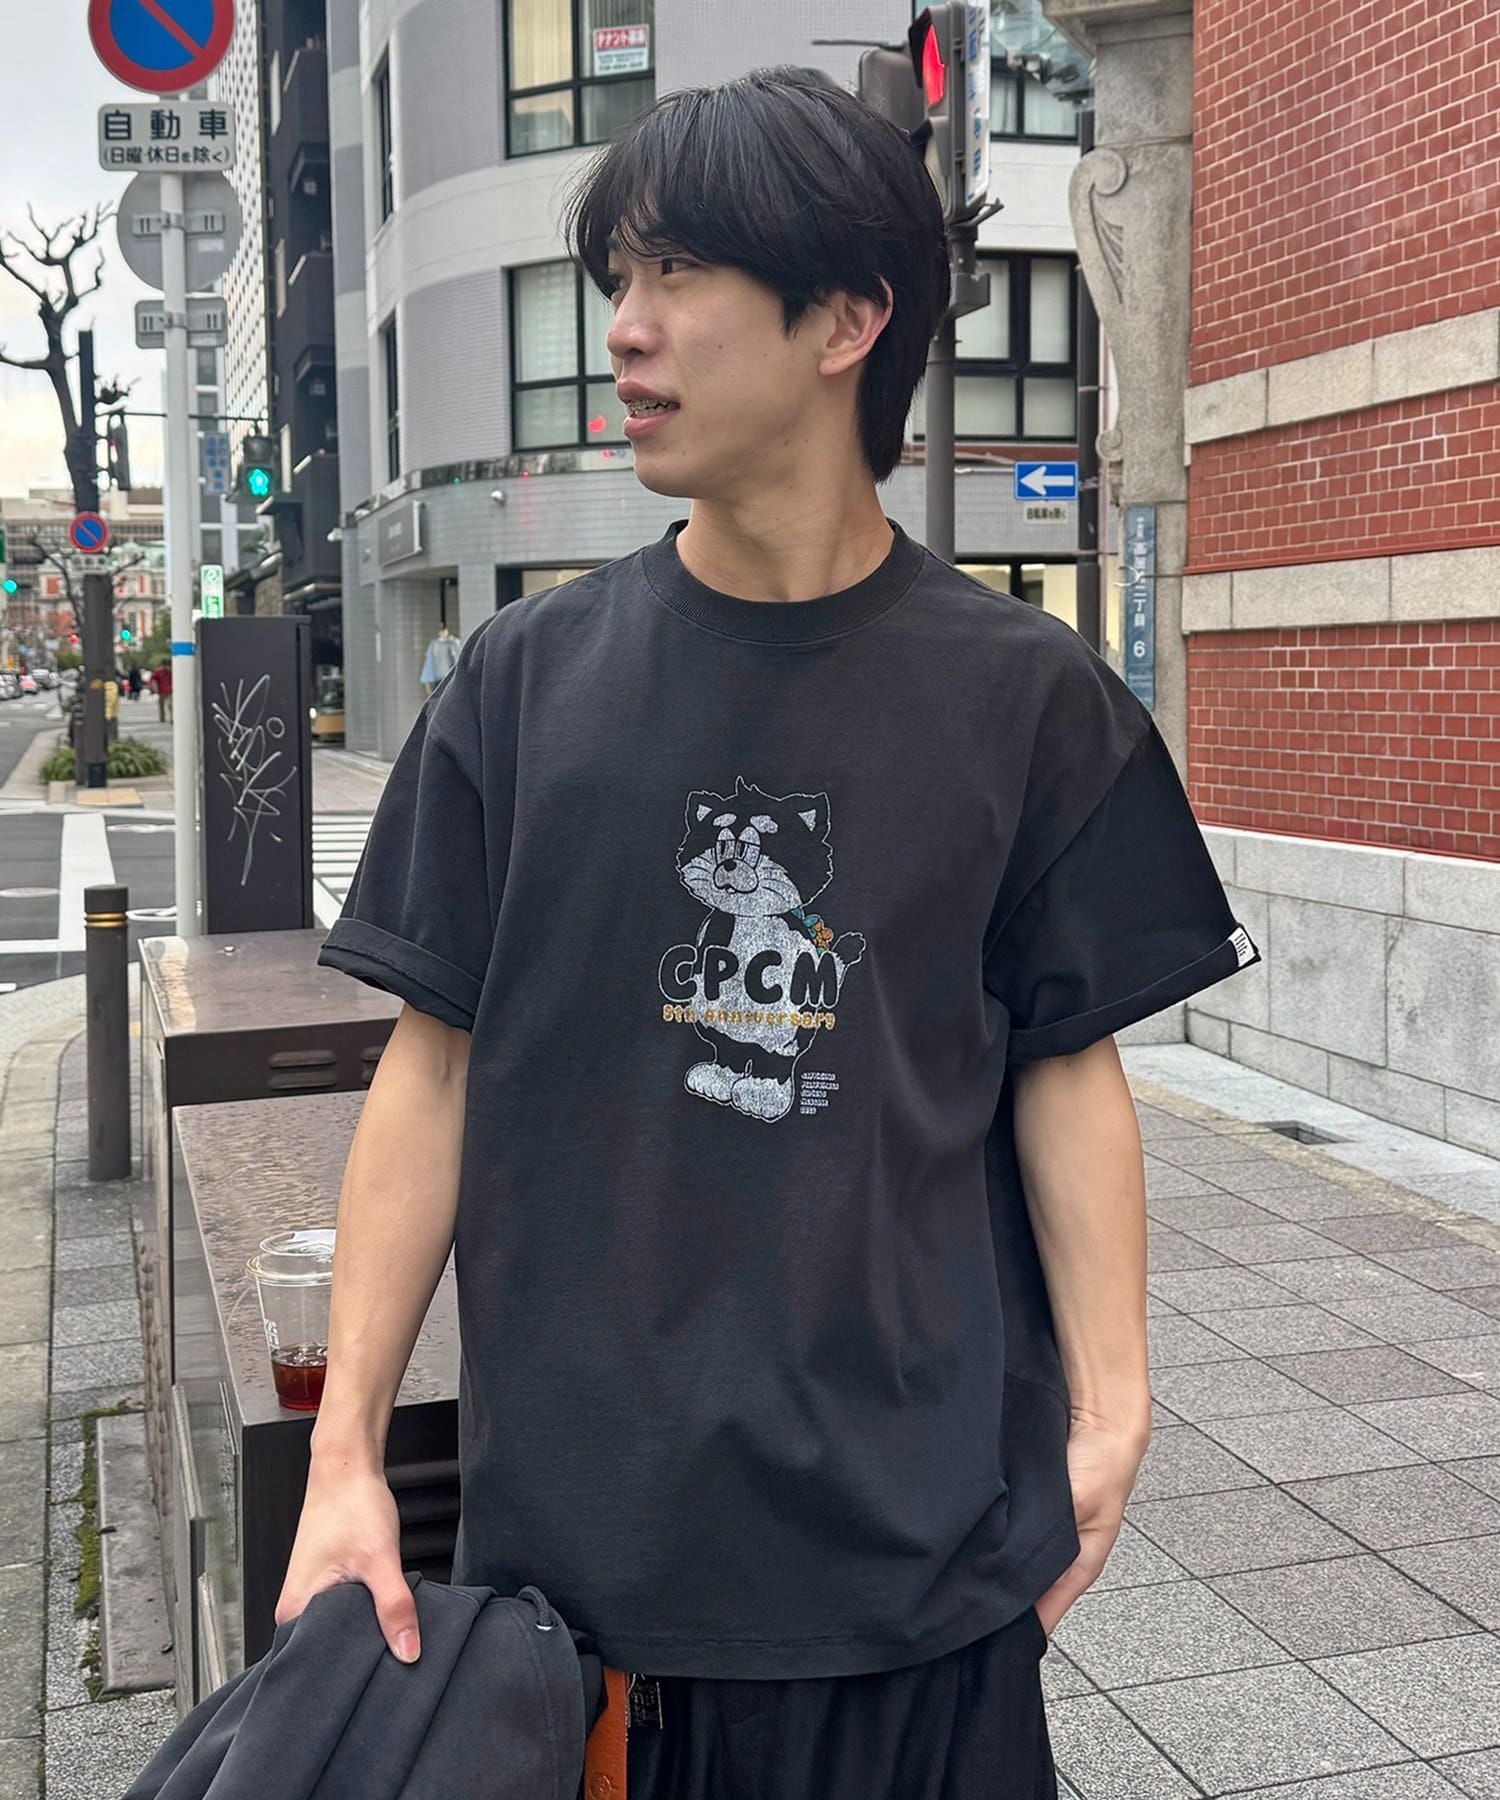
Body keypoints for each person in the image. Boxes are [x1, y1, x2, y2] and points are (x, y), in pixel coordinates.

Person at [299, 69, 1259, 1799]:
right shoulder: (520, 687)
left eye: (676, 275)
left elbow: (1065, 1064)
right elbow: (429, 1075)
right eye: (616, 280)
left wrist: (1114, 1412)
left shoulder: (1030, 701)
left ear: (846, 320)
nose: (623, 329)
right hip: (587, 1602)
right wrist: (345, 1452)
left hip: (924, 1583)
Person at [150, 658, 172, 722]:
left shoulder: (169, 671)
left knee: (169, 705)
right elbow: (154, 680)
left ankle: (169, 718)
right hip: (163, 690)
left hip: (168, 690)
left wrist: (154, 688)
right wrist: (155, 688)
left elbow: (153, 681)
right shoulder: (158, 671)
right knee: (164, 705)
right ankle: (163, 718)